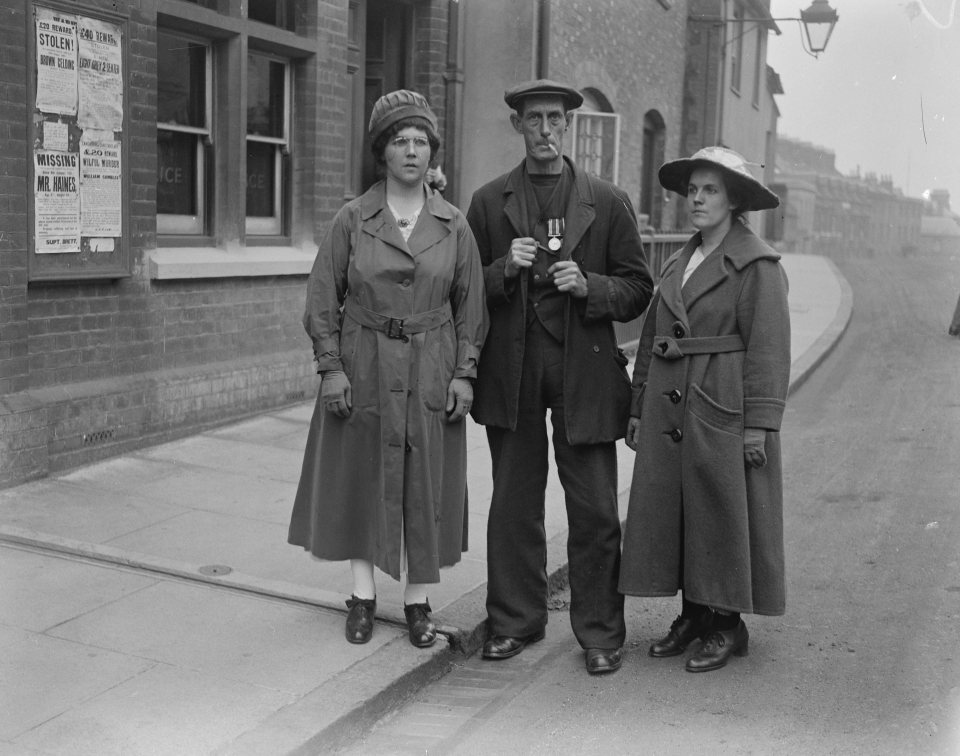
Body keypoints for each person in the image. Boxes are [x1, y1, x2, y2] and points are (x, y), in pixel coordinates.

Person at [465, 79, 653, 674]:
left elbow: (638, 290)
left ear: (569, 125)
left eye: (555, 119)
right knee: (514, 503)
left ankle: (599, 633)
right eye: (533, 119)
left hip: (587, 372)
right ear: (518, 126)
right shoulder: (489, 201)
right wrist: (501, 271)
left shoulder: (608, 199)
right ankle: (515, 622)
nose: (545, 130)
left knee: (596, 508)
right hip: (513, 371)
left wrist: (591, 286)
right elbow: (461, 291)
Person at [288, 90, 487, 648]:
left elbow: (471, 306)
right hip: (364, 362)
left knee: (426, 482)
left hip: (430, 366)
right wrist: (331, 367)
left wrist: (464, 373)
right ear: (382, 151)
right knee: (363, 474)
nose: (411, 150)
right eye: (400, 140)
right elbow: (323, 296)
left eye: (421, 141)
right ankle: (362, 596)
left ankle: (419, 602)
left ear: (432, 153)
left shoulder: (453, 223)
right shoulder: (354, 217)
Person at [618, 146, 791, 673]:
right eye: (692, 189)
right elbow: (652, 335)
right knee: (679, 512)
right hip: (671, 404)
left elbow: (768, 348)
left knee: (721, 512)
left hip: (723, 404)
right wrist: (638, 405)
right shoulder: (678, 258)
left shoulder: (757, 265)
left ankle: (727, 625)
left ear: (734, 200)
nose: (696, 198)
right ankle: (693, 614)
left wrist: (758, 425)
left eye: (710, 190)